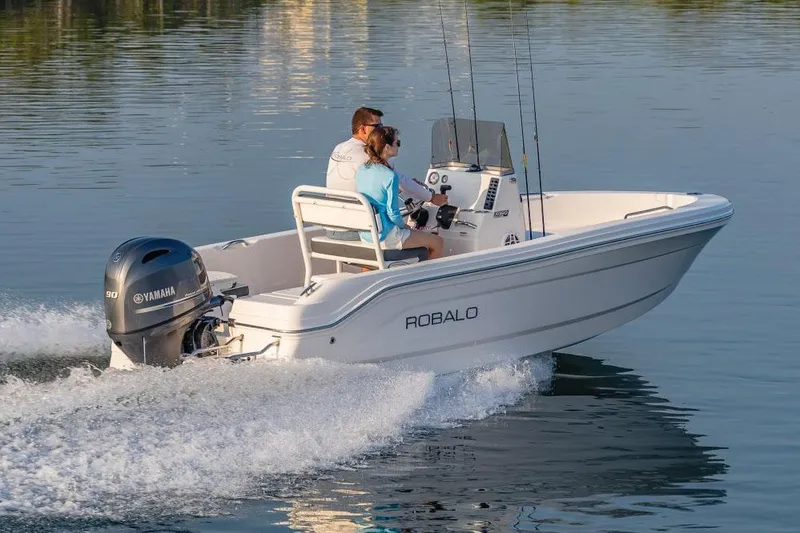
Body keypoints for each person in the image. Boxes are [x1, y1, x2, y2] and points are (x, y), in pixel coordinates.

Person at [326, 107, 448, 206]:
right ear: (363, 129)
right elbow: (401, 181)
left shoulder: (339, 148)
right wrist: (432, 197)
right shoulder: (368, 154)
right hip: (359, 219)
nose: (381, 131)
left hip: (333, 216)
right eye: (377, 127)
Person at [355, 126, 444, 260]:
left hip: (368, 235)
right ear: (387, 148)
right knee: (437, 242)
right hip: (386, 236)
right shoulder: (390, 176)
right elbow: (393, 213)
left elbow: (376, 194)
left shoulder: (362, 169)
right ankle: (429, 274)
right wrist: (405, 226)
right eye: (397, 143)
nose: (399, 146)